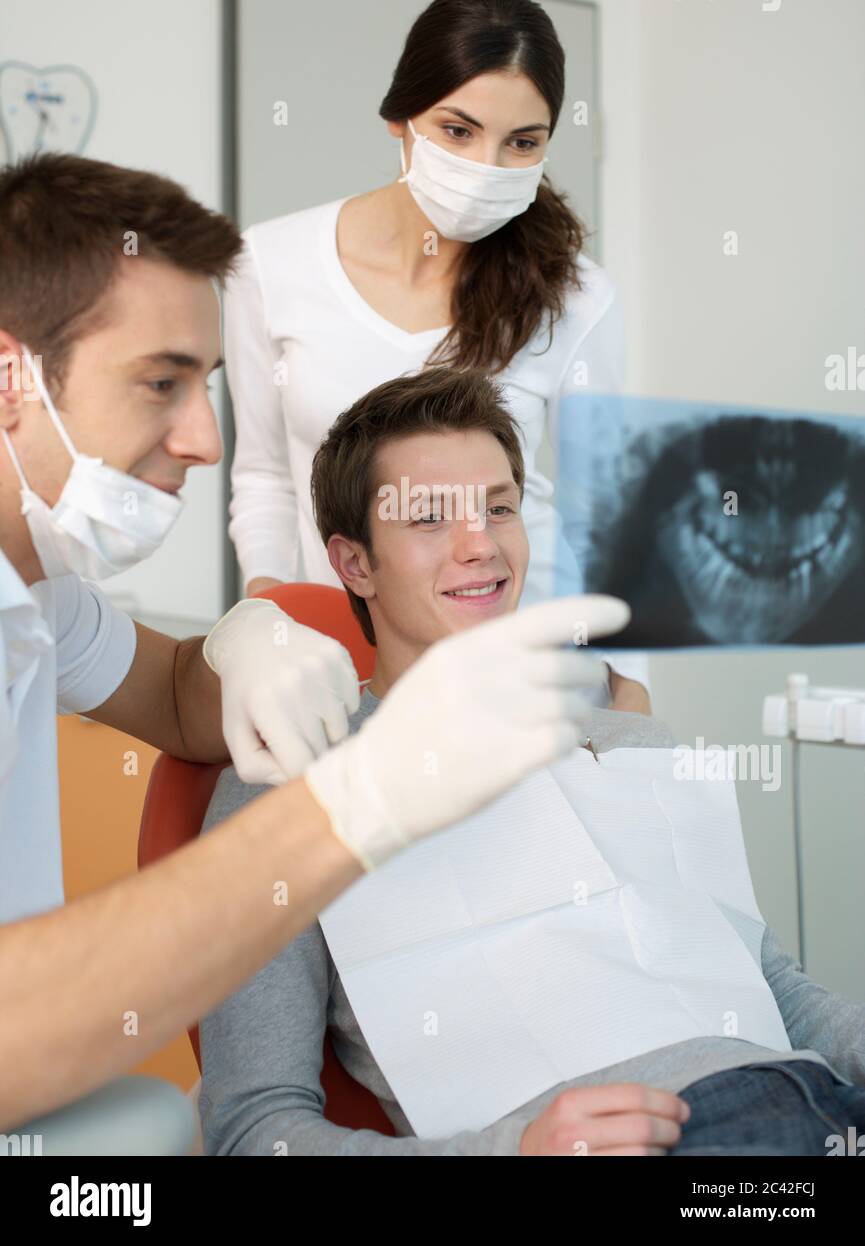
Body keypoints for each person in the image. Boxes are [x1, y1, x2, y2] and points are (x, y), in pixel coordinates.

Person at [0, 152, 627, 1148]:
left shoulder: (42, 599)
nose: (206, 439)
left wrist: (249, 634)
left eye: (205, 384)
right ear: (11, 379)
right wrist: (358, 801)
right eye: (160, 382)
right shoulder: (332, 779)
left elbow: (171, 691)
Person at [200, 367, 865, 1156]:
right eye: (427, 519)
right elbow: (253, 1131)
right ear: (355, 564)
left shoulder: (631, 742)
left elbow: (774, 989)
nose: (479, 544)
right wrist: (506, 1154)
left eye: (499, 508)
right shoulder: (294, 778)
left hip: (827, 1103)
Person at [222, 0, 648, 712]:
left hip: (526, 672)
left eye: (522, 142)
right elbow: (264, 477)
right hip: (338, 665)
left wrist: (629, 686)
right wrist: (272, 621)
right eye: (458, 130)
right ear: (400, 117)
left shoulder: (577, 297)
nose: (487, 165)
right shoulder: (270, 265)